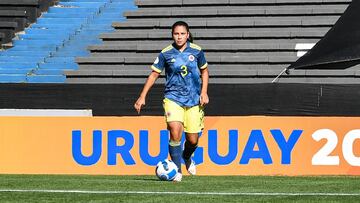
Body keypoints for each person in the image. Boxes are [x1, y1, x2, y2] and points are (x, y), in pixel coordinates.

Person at [134, 21, 209, 182]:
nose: (179, 36)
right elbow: (154, 75)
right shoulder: (165, 53)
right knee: (175, 131)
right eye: (176, 33)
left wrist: (204, 92)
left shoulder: (197, 51)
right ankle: (177, 171)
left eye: (182, 33)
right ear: (172, 35)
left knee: (193, 140)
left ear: (188, 35)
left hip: (194, 100)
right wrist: (142, 96)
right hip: (173, 98)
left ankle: (186, 156)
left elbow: (205, 71)